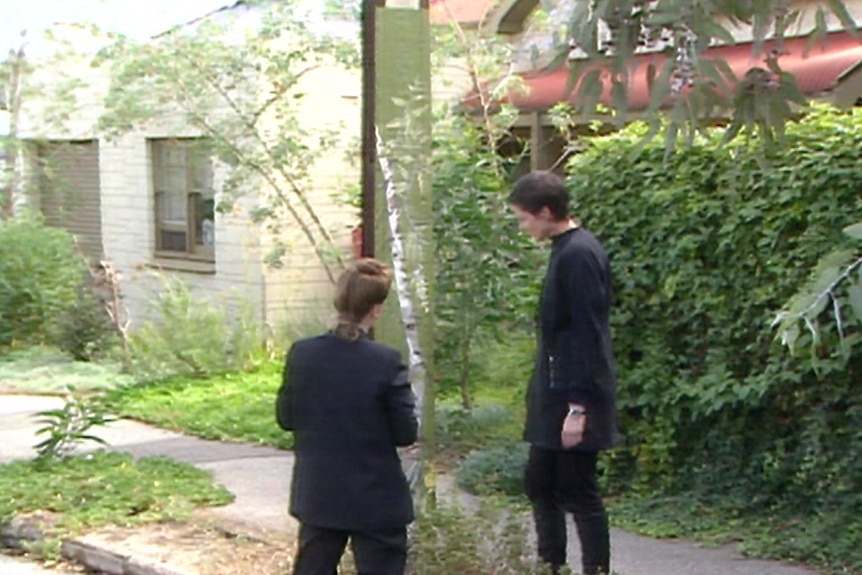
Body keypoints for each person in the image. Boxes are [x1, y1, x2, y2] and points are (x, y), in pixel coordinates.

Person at [508, 171, 621, 575]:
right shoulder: (565, 250)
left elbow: (586, 333)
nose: (523, 227)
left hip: (574, 393)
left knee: (578, 489)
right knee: (540, 482)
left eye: (524, 219)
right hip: (556, 389)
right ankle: (550, 564)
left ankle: (595, 569)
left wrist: (578, 408)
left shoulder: (578, 255)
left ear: (545, 211)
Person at [275, 258, 418, 575]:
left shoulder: (303, 353)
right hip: (375, 498)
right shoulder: (385, 361)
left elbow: (286, 417)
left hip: (319, 493)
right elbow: (405, 432)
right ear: (376, 309)